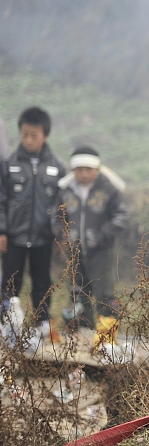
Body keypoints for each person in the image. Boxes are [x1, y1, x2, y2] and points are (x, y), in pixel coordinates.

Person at [0, 107, 66, 334]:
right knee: (10, 282)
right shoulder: (8, 164)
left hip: (43, 237)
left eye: (34, 136)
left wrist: (60, 235)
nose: (28, 140)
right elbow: (2, 200)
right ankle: (6, 325)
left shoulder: (56, 167)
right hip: (14, 237)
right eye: (24, 134)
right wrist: (2, 231)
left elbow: (62, 206)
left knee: (41, 282)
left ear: (45, 136)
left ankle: (41, 325)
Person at [52, 146, 129, 338]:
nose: (84, 174)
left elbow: (121, 216)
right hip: (75, 250)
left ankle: (107, 337)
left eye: (89, 170)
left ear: (97, 169)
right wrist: (65, 235)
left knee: (104, 293)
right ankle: (83, 335)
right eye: (79, 170)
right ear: (73, 171)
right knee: (78, 292)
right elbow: (56, 217)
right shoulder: (66, 192)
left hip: (101, 250)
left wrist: (102, 235)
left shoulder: (108, 189)